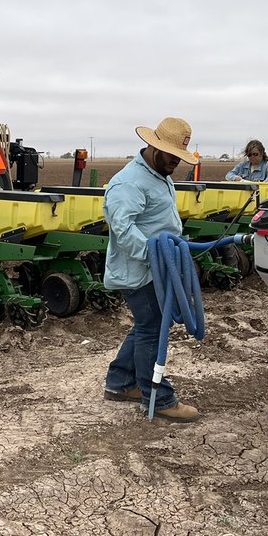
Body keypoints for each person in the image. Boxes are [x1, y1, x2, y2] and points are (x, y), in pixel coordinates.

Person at [101, 117, 203, 423]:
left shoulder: (159, 173)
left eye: (179, 158)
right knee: (153, 327)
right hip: (139, 271)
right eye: (171, 155)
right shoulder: (130, 182)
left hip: (154, 269)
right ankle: (157, 398)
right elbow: (122, 227)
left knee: (146, 324)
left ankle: (120, 383)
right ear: (153, 146)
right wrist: (154, 255)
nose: (175, 162)